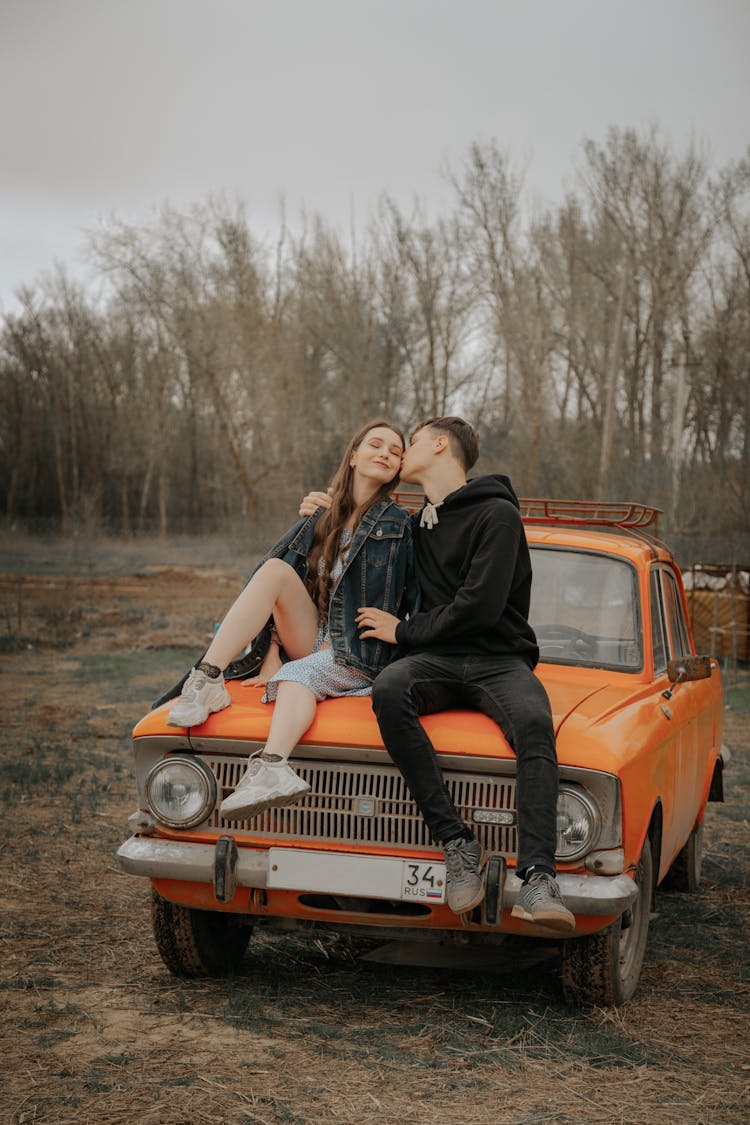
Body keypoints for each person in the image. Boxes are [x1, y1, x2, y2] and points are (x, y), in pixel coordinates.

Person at [302, 416, 574, 929]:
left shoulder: (497, 516)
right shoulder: (419, 519)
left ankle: (538, 878)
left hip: (498, 659)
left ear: (440, 444)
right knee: (389, 690)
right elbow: (364, 536)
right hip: (439, 661)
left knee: (537, 724)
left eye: (413, 441)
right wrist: (327, 511)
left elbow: (480, 607)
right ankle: (456, 843)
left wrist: (403, 632)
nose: (401, 454)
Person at [167, 420, 419, 821]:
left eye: (395, 450)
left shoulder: (399, 524)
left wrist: (404, 632)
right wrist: (271, 654)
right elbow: (283, 589)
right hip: (314, 636)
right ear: (353, 455)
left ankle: (272, 765)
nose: (386, 453)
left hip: (360, 646)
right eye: (375, 444)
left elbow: (412, 596)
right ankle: (208, 676)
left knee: (297, 676)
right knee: (274, 572)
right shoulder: (321, 515)